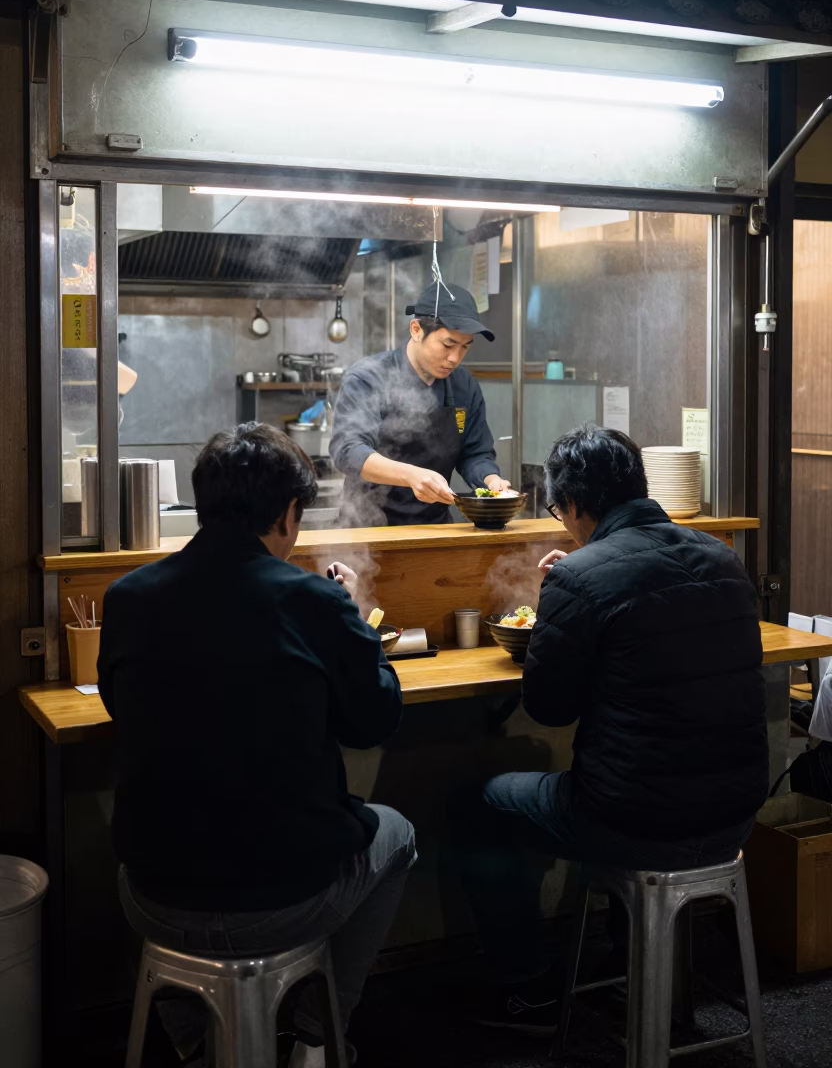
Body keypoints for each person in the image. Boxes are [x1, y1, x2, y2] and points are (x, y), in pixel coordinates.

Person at [98, 422, 416, 1067]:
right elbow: (372, 722)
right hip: (283, 897)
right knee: (398, 832)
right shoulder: (315, 602)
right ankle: (314, 1037)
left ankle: (198, 1043)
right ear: (289, 512)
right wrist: (352, 623)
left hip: (151, 895)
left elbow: (118, 706)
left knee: (163, 848)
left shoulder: (127, 597)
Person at [451, 425, 768, 1036]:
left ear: (572, 505)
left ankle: (529, 987)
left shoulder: (580, 576)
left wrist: (560, 602)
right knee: (649, 772)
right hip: (733, 815)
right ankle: (630, 963)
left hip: (639, 820)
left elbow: (548, 708)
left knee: (478, 806)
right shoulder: (722, 557)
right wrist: (583, 585)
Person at [330, 281, 510, 526]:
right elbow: (348, 450)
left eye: (464, 347)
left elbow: (475, 452)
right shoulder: (368, 377)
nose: (454, 358)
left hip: (433, 527)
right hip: (367, 530)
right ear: (416, 330)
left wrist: (490, 480)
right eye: (447, 345)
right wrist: (410, 475)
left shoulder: (463, 385)